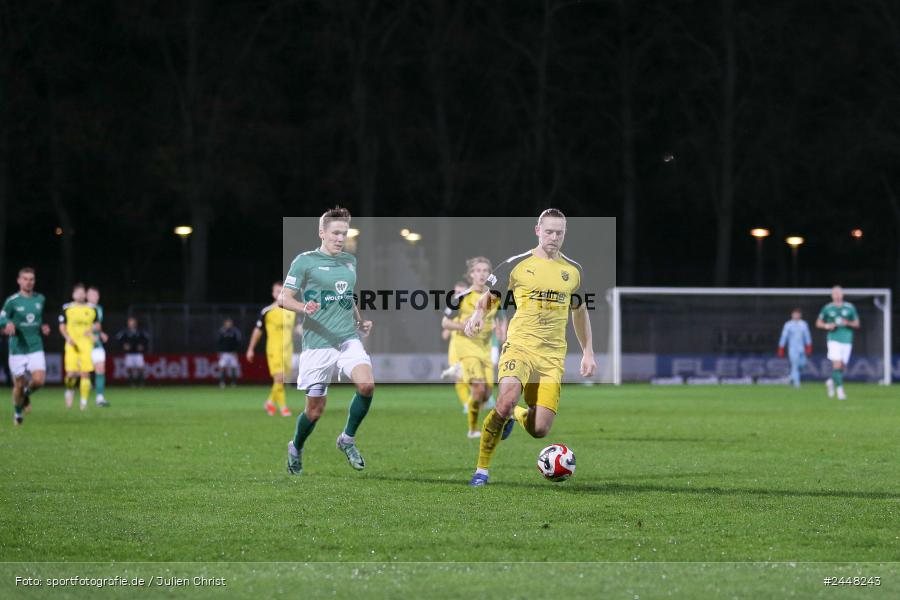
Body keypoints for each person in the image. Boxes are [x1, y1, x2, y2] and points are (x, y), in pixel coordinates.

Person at [464, 208, 596, 486]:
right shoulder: (517, 264)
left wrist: (588, 351)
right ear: (537, 230)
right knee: (505, 400)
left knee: (540, 429)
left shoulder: (573, 271)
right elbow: (490, 297)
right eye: (549, 231)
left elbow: (580, 312)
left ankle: (517, 413)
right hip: (520, 347)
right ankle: (482, 470)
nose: (554, 237)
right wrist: (478, 315)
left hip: (551, 357)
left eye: (559, 232)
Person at [280, 206, 374, 476]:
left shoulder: (349, 261)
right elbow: (284, 298)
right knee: (315, 410)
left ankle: (347, 439)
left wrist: (359, 320)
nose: (340, 238)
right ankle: (296, 447)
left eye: (344, 233)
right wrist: (303, 308)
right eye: (335, 233)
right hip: (318, 343)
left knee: (367, 385)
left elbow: (349, 296)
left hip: (347, 338)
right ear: (321, 232)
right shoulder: (305, 261)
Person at [442, 259, 507, 438]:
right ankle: (472, 429)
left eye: (486, 270)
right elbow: (445, 322)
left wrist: (502, 334)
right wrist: (463, 325)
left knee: (486, 393)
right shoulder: (460, 297)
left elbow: (502, 317)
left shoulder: (493, 298)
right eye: (477, 270)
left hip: (485, 348)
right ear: (471, 274)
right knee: (478, 388)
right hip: (467, 347)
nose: (482, 274)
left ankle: (475, 412)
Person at [0, 267, 51, 425]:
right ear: (19, 280)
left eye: (31, 279)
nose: (28, 282)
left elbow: (38, 318)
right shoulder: (12, 301)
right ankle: (17, 414)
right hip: (18, 348)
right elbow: (2, 317)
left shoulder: (40, 299)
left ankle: (26, 394)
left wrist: (43, 327)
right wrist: (7, 324)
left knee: (39, 381)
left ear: (34, 281)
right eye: (25, 279)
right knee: (19, 384)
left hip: (35, 345)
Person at [246, 282, 295, 416]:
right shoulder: (267, 311)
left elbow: (297, 329)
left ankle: (269, 402)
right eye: (277, 291)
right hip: (274, 349)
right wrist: (251, 348)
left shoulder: (292, 311)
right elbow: (258, 331)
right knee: (279, 377)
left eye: (282, 291)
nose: (280, 294)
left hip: (288, 351)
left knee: (281, 379)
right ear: (273, 294)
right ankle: (284, 407)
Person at [815, 285, 860, 400]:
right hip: (833, 339)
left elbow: (857, 323)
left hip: (847, 339)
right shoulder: (827, 308)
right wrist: (827, 325)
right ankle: (840, 392)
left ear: (842, 294)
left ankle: (830, 381)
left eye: (839, 293)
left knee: (842, 367)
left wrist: (847, 323)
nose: (837, 295)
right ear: (832, 295)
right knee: (837, 364)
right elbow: (818, 323)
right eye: (835, 293)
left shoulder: (849, 307)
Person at [59, 283, 98, 410]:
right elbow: (62, 327)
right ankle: (69, 390)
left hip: (86, 345)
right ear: (73, 294)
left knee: (85, 373)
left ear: (85, 294)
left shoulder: (92, 309)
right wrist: (67, 337)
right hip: (71, 345)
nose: (80, 295)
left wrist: (92, 332)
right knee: (70, 374)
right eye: (78, 292)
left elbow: (97, 325)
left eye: (82, 292)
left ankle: (83, 403)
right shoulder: (67, 308)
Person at [440, 281, 469, 413]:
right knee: (459, 377)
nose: (459, 295)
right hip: (455, 349)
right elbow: (445, 334)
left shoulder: (472, 307)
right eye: (457, 292)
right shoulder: (452, 308)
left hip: (471, 347)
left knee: (472, 376)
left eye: (461, 292)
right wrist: (452, 326)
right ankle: (467, 405)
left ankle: (483, 400)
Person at [86, 286, 110, 407]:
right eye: (92, 295)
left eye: (96, 295)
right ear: (87, 296)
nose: (95, 297)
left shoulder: (99, 309)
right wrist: (91, 334)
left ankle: (99, 398)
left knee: (100, 369)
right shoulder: (82, 309)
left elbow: (97, 325)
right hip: (85, 344)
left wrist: (101, 334)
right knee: (83, 373)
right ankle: (82, 399)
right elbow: (82, 328)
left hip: (97, 344)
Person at [777, 308, 812, 388]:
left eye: (797, 314)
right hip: (792, 349)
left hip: (802, 349)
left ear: (800, 315)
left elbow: (807, 336)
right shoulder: (788, 324)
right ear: (792, 315)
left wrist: (809, 346)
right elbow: (784, 336)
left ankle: (792, 377)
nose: (796, 316)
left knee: (802, 364)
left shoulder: (803, 324)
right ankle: (796, 383)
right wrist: (781, 347)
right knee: (795, 365)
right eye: (794, 314)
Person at [116, 317, 150, 386]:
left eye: (132, 323)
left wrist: (142, 345)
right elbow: (118, 338)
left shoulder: (140, 331)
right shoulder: (125, 331)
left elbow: (146, 339)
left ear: (135, 323)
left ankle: (141, 382)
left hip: (138, 353)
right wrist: (124, 345)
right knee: (129, 368)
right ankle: (131, 383)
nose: (131, 324)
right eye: (129, 323)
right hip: (129, 353)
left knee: (140, 367)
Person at [216, 318, 242, 388]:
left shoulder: (235, 331)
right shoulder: (221, 331)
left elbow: (238, 342)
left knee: (234, 367)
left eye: (230, 322)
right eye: (227, 322)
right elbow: (218, 342)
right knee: (222, 367)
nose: (228, 324)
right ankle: (222, 382)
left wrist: (236, 351)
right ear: (224, 323)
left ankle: (234, 382)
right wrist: (219, 352)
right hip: (224, 353)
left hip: (233, 353)